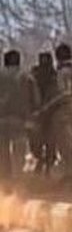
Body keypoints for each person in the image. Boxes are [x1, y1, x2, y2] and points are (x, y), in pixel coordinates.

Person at [46, 43, 72, 183]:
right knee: (71, 142)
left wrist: (47, 106)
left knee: (65, 144)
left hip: (64, 109)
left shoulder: (63, 72)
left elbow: (64, 93)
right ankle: (71, 173)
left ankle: (70, 175)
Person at [0, 50, 37, 183]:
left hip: (1, 118)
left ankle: (4, 179)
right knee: (19, 150)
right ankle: (18, 179)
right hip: (19, 119)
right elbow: (35, 98)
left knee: (2, 150)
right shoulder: (26, 76)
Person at [29, 52, 57, 175]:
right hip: (41, 111)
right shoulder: (35, 75)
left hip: (49, 111)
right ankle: (42, 163)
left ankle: (46, 166)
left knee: (48, 142)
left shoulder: (54, 76)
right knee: (38, 142)